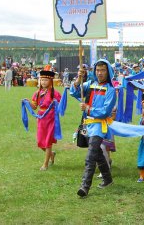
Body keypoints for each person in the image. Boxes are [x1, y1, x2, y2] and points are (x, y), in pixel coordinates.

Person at [70, 59, 117, 198]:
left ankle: (85, 186)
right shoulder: (90, 84)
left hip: (99, 126)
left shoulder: (110, 90)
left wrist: (88, 108)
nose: (100, 73)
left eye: (103, 70)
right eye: (97, 70)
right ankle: (108, 180)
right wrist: (79, 79)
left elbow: (105, 111)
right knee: (98, 154)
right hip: (87, 124)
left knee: (90, 156)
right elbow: (75, 92)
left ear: (108, 72)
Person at [28, 68, 61, 171]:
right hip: (41, 119)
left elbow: (60, 106)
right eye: (42, 80)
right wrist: (27, 102)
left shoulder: (55, 93)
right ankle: (52, 154)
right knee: (40, 142)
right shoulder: (37, 93)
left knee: (47, 142)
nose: (43, 82)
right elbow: (34, 106)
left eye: (45, 80)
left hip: (51, 119)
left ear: (50, 81)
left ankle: (45, 164)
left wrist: (56, 104)